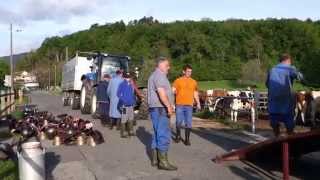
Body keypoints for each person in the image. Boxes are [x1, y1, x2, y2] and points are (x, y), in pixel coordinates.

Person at [147, 56, 177, 171]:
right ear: (160, 65)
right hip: (161, 109)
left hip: (156, 109)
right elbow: (161, 93)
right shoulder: (159, 75)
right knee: (163, 134)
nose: (168, 68)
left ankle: (155, 160)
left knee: (156, 133)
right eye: (167, 65)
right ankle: (163, 163)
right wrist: (169, 107)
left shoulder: (153, 75)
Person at [266, 54, 303, 137]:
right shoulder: (290, 68)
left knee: (275, 125)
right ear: (288, 60)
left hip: (273, 104)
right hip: (286, 103)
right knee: (289, 126)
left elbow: (267, 84)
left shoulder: (272, 70)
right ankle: (289, 137)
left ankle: (277, 137)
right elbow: (300, 77)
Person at [172, 65, 201, 146]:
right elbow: (173, 91)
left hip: (189, 105)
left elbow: (195, 93)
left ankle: (187, 139)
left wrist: (198, 103)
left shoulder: (194, 82)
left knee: (188, 122)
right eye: (188, 71)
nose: (189, 73)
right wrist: (171, 102)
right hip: (179, 104)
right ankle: (178, 136)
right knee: (178, 121)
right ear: (183, 71)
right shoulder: (177, 81)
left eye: (191, 72)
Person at [117, 73, 136, 138]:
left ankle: (131, 131)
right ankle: (123, 133)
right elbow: (118, 94)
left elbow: (132, 94)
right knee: (124, 118)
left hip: (131, 105)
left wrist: (134, 101)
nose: (129, 78)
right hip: (124, 105)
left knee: (131, 117)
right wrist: (123, 100)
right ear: (124, 78)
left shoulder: (131, 85)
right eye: (127, 77)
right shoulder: (122, 84)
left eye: (129, 77)